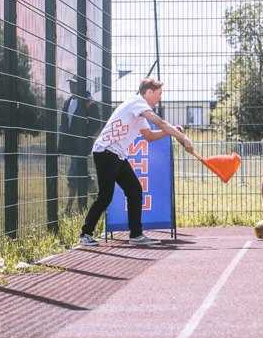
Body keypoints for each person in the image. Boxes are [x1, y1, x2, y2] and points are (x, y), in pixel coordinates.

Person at [79, 77, 193, 246]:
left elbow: (150, 136)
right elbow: (160, 123)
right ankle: (85, 234)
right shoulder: (136, 103)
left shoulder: (140, 111)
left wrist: (172, 132)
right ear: (148, 92)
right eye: (159, 93)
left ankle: (136, 235)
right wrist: (183, 138)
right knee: (106, 195)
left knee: (134, 190)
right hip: (105, 152)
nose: (160, 97)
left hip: (116, 155)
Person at [59, 79, 103, 212]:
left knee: (72, 174)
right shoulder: (68, 101)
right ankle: (100, 205)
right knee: (84, 176)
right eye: (70, 83)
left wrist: (85, 135)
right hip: (72, 145)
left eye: (75, 84)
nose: (71, 86)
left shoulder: (89, 102)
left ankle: (67, 209)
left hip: (82, 146)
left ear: (82, 85)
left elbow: (96, 122)